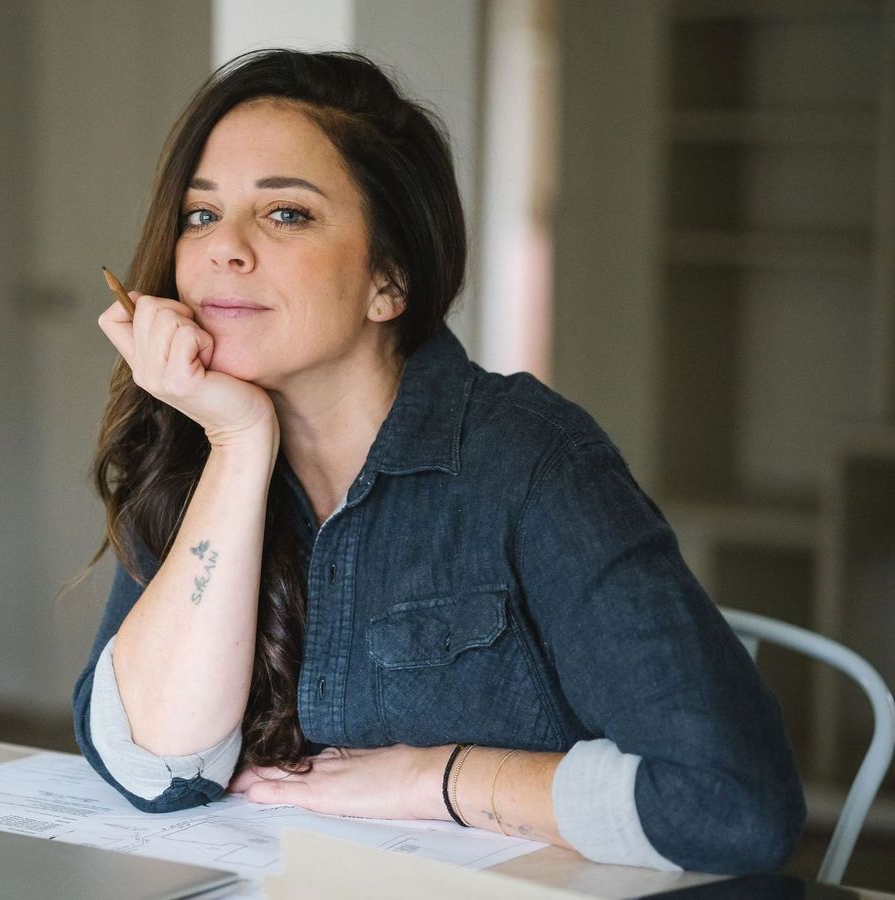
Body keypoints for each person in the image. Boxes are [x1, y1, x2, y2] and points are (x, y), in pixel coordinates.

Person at [73, 49, 805, 874]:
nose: (222, 251)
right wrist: (238, 445)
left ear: (391, 278)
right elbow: (156, 770)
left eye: (286, 215)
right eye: (201, 216)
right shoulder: (197, 448)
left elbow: (733, 803)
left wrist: (438, 777)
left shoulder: (531, 461)